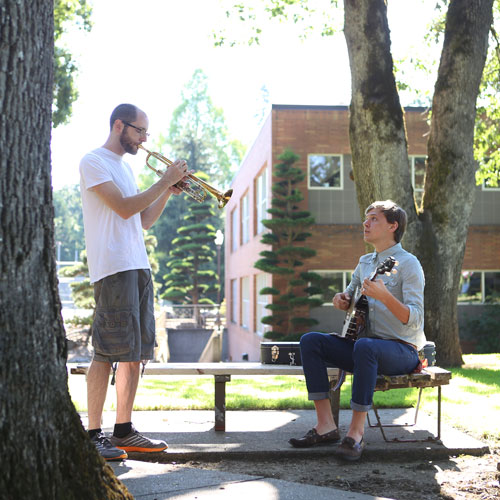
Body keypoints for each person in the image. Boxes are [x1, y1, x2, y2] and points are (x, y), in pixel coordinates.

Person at [79, 103, 189, 461]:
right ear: (118, 125)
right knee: (106, 351)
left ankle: (124, 430)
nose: (144, 139)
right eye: (139, 131)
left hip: (138, 266)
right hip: (112, 268)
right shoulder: (94, 161)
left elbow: (141, 220)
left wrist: (167, 193)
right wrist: (165, 180)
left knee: (135, 354)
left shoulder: (124, 168)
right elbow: (123, 208)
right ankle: (93, 433)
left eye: (146, 133)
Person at [289, 200, 426, 461]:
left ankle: (356, 433)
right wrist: (340, 300)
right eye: (366, 218)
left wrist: (386, 297)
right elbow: (349, 297)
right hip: (365, 347)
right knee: (310, 341)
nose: (366, 223)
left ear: (392, 226)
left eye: (374, 219)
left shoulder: (409, 264)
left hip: (402, 350)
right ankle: (326, 425)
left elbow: (415, 320)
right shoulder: (365, 262)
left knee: (365, 347)